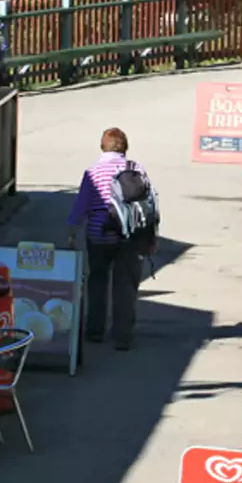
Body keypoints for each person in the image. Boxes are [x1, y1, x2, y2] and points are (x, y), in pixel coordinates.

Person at [66, 128, 159, 350]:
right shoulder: (136, 169)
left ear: (102, 146)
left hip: (99, 235)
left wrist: (72, 230)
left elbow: (82, 204)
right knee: (125, 284)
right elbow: (149, 204)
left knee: (97, 280)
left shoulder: (93, 172)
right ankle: (123, 335)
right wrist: (151, 236)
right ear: (125, 147)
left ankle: (95, 331)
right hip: (130, 235)